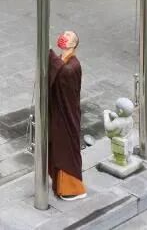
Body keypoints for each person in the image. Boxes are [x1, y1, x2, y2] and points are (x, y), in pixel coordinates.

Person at [49, 31, 87, 201]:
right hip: (59, 112)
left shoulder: (73, 65)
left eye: (69, 35)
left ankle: (73, 189)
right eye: (64, 33)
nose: (64, 36)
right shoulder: (61, 59)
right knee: (58, 148)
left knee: (66, 151)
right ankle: (59, 184)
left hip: (68, 114)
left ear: (74, 44)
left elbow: (64, 73)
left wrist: (49, 55)